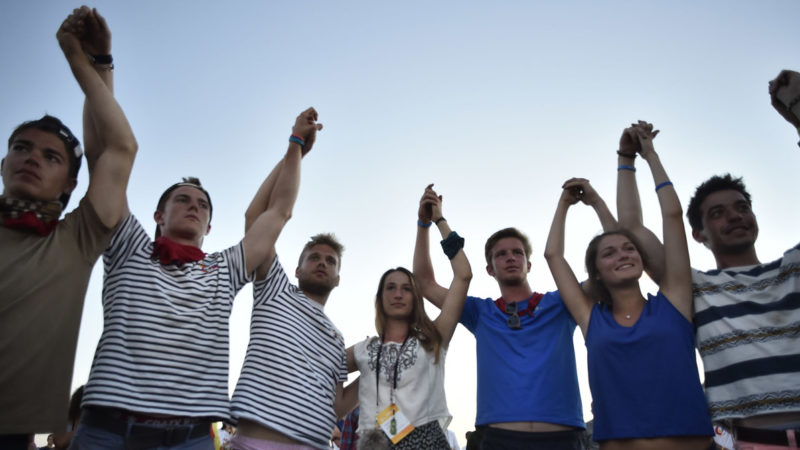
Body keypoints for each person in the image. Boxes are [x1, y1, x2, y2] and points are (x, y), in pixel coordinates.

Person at [70, 94, 323, 449]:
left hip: (189, 439)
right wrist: (99, 67)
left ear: (209, 227)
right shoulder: (130, 247)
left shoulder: (224, 268)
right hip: (109, 433)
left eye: (203, 205)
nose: (194, 207)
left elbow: (278, 211)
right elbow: (104, 161)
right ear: (159, 215)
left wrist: (295, 145)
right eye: (183, 200)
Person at [615, 72, 800, 449]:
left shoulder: (794, 268)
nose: (734, 216)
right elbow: (632, 226)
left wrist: (797, 113)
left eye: (741, 207)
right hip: (754, 441)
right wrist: (629, 158)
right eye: (717, 213)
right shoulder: (696, 288)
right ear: (699, 235)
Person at [0, 6, 137, 449]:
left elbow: (115, 148)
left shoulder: (75, 240)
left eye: (51, 156)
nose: (32, 157)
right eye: (21, 148)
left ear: (73, 184)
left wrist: (87, 62)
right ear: (4, 163)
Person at [543, 122, 713, 449]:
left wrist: (649, 155)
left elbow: (673, 216)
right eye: (610, 253)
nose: (623, 254)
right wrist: (565, 203)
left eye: (630, 248)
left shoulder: (674, 301)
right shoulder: (592, 319)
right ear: (596, 273)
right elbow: (553, 255)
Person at [413, 194, 600, 449]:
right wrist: (428, 223)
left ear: (529, 264)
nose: (511, 257)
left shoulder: (562, 303)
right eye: (501, 254)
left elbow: (603, 278)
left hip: (562, 437)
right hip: (499, 439)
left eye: (517, 253)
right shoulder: (480, 311)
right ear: (490, 269)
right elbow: (424, 284)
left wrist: (584, 203)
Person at [229, 110, 358, 450]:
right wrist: (296, 149)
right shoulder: (275, 290)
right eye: (313, 257)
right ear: (297, 269)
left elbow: (338, 405)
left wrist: (380, 361)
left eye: (330, 261)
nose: (322, 263)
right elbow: (255, 217)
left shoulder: (335, 337)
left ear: (338, 278)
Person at [349, 185, 471, 450]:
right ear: (379, 298)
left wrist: (433, 222)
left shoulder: (433, 337)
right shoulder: (364, 349)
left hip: (426, 442)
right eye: (390, 287)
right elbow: (325, 366)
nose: (398, 294)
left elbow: (463, 275)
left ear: (416, 296)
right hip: (375, 443)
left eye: (406, 288)